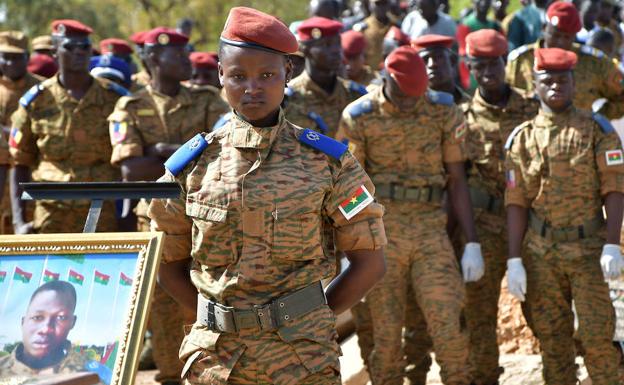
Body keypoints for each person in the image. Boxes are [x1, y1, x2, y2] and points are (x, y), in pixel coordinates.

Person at [147, 6, 386, 384]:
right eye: (238, 76)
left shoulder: (328, 163)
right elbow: (166, 265)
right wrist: (212, 320)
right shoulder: (190, 167)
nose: (252, 88)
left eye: (267, 75)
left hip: (304, 357)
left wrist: (315, 316)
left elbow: (370, 263)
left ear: (288, 74)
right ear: (220, 74)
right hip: (217, 360)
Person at [337, 45, 481, 385]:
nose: (410, 104)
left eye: (417, 95)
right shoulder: (359, 116)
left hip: (432, 232)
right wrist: (350, 243)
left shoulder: (442, 111)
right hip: (381, 237)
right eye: (403, 96)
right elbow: (347, 184)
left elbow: (456, 178)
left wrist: (471, 241)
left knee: (449, 325)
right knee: (386, 337)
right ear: (387, 79)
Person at [108, 27, 227, 385]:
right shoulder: (130, 106)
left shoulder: (208, 99)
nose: (186, 60)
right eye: (177, 55)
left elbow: (225, 153)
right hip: (157, 222)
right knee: (163, 307)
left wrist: (160, 151)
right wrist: (190, 151)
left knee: (212, 297)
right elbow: (131, 170)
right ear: (153, 59)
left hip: (208, 218)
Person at [505, 47, 623, 385]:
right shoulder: (523, 138)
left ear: (573, 83)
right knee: (554, 345)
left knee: (598, 339)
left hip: (589, 251)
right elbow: (517, 202)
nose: (556, 86)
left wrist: (612, 245)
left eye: (563, 80)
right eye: (548, 80)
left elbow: (614, 188)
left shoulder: (597, 130)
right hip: (541, 253)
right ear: (536, 85)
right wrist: (514, 259)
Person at [460, 29, 540, 385]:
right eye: (481, 64)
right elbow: (456, 182)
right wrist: (468, 243)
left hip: (533, 228)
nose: (488, 71)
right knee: (478, 319)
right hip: (485, 227)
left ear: (506, 62)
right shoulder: (461, 117)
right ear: (470, 67)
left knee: (544, 312)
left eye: (495, 63)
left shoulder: (534, 108)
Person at [9, 19, 128, 234]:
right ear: (54, 51)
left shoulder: (114, 97)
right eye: (70, 47)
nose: (79, 52)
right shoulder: (36, 100)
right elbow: (19, 163)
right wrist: (18, 222)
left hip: (100, 210)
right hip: (50, 212)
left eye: (84, 47)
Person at [506, 1, 624, 120]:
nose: (560, 42)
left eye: (567, 37)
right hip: (531, 134)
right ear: (544, 28)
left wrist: (598, 117)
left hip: (581, 135)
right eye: (556, 35)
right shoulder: (520, 61)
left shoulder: (594, 62)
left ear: (575, 36)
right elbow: (503, 98)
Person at [285, 16, 367, 138]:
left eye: (337, 43)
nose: (335, 50)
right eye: (326, 44)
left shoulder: (354, 95)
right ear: (305, 49)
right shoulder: (287, 100)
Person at [0, 281, 89, 377]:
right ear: (23, 321)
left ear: (72, 322)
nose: (46, 329)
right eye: (37, 317)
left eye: (60, 317)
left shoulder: (87, 376)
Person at [412, 34, 471, 104]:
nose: (432, 64)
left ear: (452, 61)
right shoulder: (412, 108)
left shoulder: (471, 107)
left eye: (439, 57)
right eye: (425, 60)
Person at [353, 0, 394, 68]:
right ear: (370, 4)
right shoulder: (363, 27)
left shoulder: (395, 25)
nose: (381, 7)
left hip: (391, 71)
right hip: (370, 74)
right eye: (377, 4)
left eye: (384, 3)